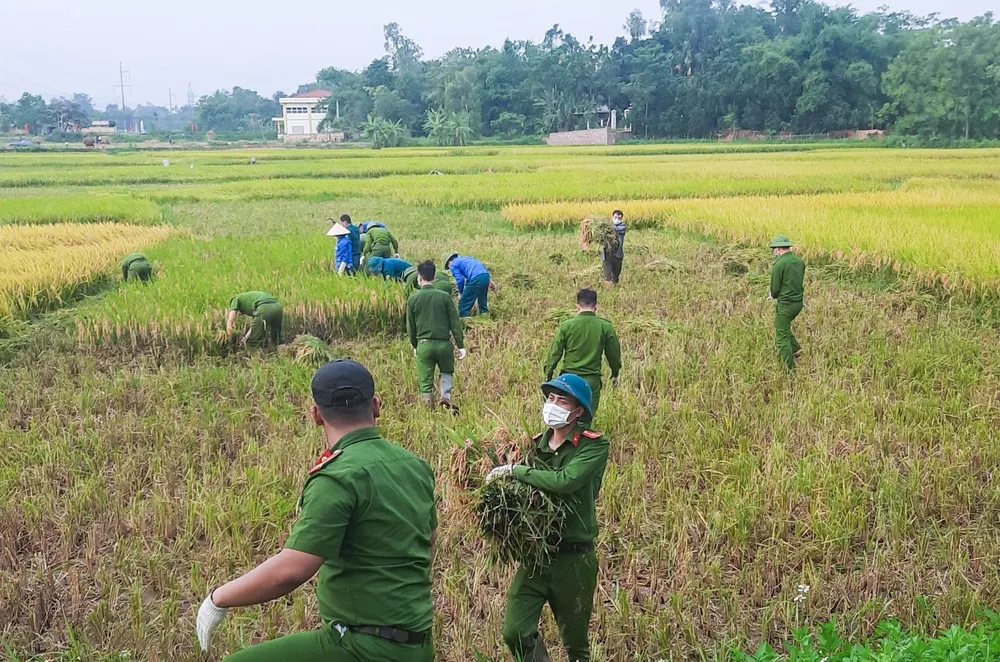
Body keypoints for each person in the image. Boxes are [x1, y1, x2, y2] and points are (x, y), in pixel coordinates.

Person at [195, 360, 438, 661]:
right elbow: (427, 544)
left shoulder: (337, 477)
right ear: (376, 405)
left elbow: (290, 571)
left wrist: (218, 599)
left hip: (363, 649)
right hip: (419, 645)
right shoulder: (415, 467)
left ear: (316, 415)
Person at [487, 374, 609, 662]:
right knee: (514, 632)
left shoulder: (593, 446)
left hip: (574, 560)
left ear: (578, 411)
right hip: (536, 556)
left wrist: (514, 470)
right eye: (550, 399)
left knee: (576, 647)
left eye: (562, 400)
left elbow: (565, 480)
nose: (552, 405)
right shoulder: (533, 446)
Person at [544, 289, 621, 415]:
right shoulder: (605, 327)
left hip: (568, 380)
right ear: (596, 307)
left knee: (565, 417)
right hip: (591, 382)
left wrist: (548, 374)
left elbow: (554, 353)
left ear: (577, 307)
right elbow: (613, 355)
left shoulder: (566, 325)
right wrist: (615, 372)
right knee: (586, 418)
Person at [406, 261, 466, 411]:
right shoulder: (444, 297)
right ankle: (445, 398)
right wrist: (460, 345)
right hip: (444, 344)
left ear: (419, 278)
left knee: (425, 377)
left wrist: (414, 345)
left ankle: (428, 408)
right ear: (434, 278)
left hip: (424, 344)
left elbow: (410, 327)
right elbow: (455, 323)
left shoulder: (413, 299)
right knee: (446, 371)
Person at [769, 234, 806, 371]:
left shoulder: (779, 264)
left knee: (781, 335)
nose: (774, 252)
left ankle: (788, 368)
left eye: (774, 249)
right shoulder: (799, 261)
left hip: (786, 304)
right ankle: (796, 350)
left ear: (778, 249)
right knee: (783, 325)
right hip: (798, 303)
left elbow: (775, 288)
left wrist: (773, 295)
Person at [442, 252, 491, 318]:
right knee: (482, 300)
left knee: (463, 303)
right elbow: (481, 267)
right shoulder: (466, 259)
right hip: (485, 276)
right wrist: (490, 281)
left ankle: (465, 321)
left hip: (476, 278)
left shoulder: (452, 264)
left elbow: (460, 279)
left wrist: (460, 293)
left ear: (448, 262)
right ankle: (485, 316)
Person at [600, 210, 627, 288]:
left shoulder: (622, 227)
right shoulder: (605, 227)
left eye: (619, 218)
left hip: (618, 255)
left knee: (615, 278)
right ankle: (609, 292)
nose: (617, 219)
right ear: (612, 217)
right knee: (607, 277)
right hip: (607, 255)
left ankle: (614, 291)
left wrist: (606, 227)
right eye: (615, 217)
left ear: (621, 219)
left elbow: (614, 229)